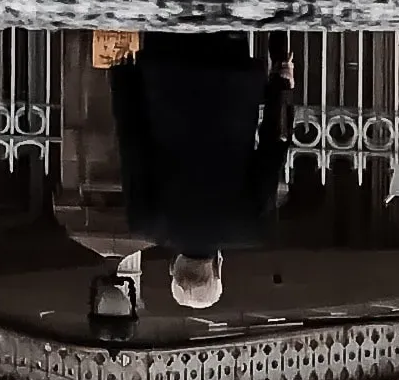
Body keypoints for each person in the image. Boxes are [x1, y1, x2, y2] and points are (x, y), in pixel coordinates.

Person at [107, 29, 293, 312]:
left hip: (231, 80)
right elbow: (132, 142)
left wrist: (280, 82)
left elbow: (273, 147)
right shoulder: (146, 222)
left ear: (217, 267)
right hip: (167, 75)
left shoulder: (247, 227)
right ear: (173, 266)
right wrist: (123, 79)